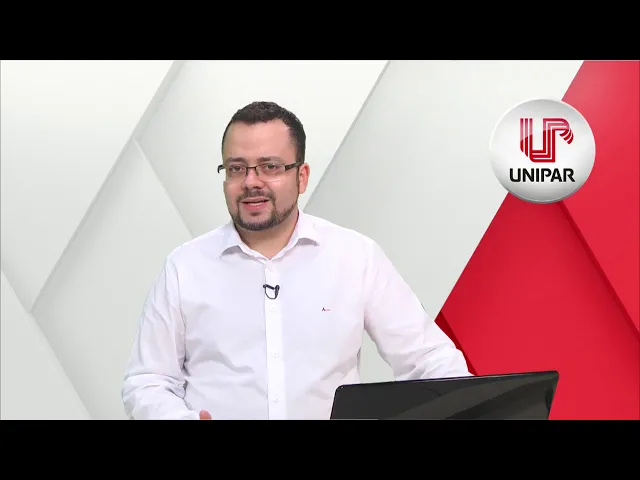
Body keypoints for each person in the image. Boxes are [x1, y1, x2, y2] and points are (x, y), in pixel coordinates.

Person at [122, 101, 471, 420]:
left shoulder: (355, 257)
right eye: (236, 168)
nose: (251, 182)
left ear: (301, 176)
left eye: (270, 167)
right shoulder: (185, 267)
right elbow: (147, 381)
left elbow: (427, 360)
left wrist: (470, 405)